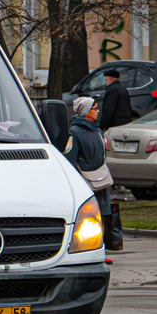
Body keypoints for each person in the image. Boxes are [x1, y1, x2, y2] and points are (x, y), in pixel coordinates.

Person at [65, 96, 115, 241]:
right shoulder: (75, 132)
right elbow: (71, 159)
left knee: (103, 215)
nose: (97, 111)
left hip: (102, 182)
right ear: (86, 111)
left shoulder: (98, 131)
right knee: (89, 217)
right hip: (86, 183)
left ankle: (103, 245)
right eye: (94, 108)